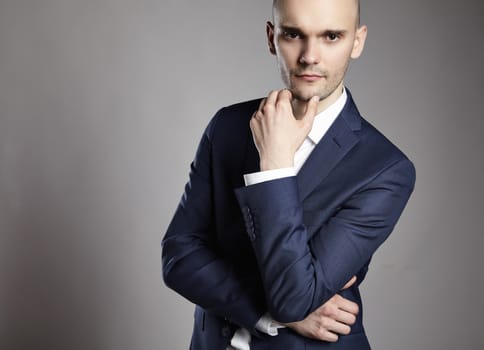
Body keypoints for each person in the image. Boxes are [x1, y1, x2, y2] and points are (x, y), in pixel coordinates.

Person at [161, 0, 415, 349]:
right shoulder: (227, 127)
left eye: (331, 36)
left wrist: (275, 166)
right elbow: (178, 257)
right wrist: (267, 310)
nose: (310, 55)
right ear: (272, 37)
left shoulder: (384, 168)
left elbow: (293, 299)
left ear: (357, 42)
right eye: (294, 34)